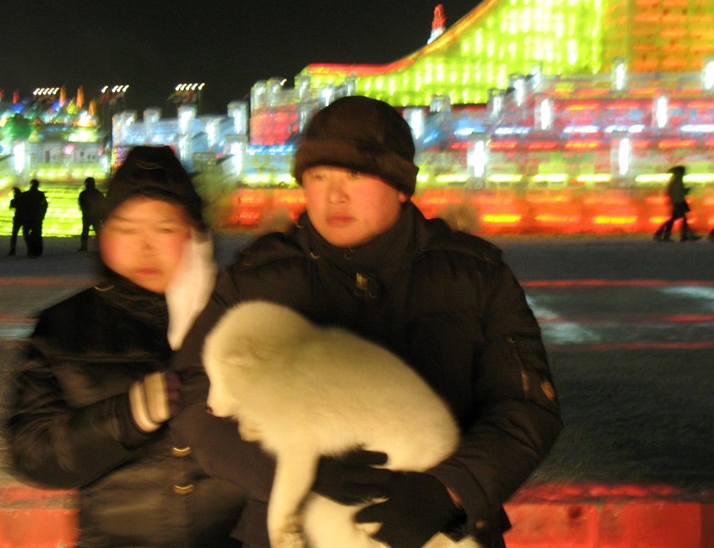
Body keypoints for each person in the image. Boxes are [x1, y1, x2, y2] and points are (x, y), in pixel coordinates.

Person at [172, 96, 563, 547]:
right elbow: (193, 394)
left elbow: (527, 406)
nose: (334, 195)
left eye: (355, 175)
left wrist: (450, 489)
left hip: (441, 531)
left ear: (400, 186)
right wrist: (294, 470)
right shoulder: (258, 277)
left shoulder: (474, 275)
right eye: (318, 177)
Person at [6, 146, 246, 547]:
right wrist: (124, 418)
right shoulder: (64, 327)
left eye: (164, 228)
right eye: (127, 228)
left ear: (195, 234)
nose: (145, 246)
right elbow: (33, 454)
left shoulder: (241, 317)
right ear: (104, 234)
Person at [653, 165, 699, 242]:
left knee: (679, 219)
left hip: (678, 201)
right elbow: (679, 192)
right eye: (683, 171)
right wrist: (687, 190)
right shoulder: (677, 181)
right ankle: (664, 235)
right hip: (678, 202)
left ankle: (683, 235)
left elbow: (673, 192)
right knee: (676, 219)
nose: (685, 173)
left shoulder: (676, 180)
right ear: (680, 172)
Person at [18, 178, 48, 257]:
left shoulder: (25, 194)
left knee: (27, 234)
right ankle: (37, 250)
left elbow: (21, 206)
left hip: (28, 217)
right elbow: (44, 205)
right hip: (36, 218)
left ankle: (31, 249)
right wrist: (41, 215)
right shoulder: (40, 194)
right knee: (37, 234)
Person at [78, 176, 106, 251]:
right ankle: (102, 247)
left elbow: (81, 204)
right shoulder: (98, 193)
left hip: (88, 215)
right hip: (95, 215)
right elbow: (102, 204)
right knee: (97, 231)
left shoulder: (83, 194)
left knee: (85, 231)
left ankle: (84, 246)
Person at [7, 186, 22, 255]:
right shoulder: (24, 198)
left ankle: (12, 250)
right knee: (26, 234)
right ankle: (30, 249)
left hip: (18, 218)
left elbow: (11, 207)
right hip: (24, 218)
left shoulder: (15, 199)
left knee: (14, 234)